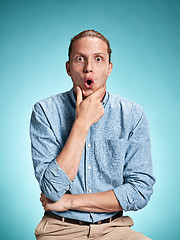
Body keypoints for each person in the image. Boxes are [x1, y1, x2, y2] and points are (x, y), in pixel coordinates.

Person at [30, 29, 155, 240]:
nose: (89, 68)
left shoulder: (133, 114)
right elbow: (52, 190)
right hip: (59, 229)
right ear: (68, 68)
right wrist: (81, 123)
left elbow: (140, 191)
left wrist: (70, 202)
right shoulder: (45, 112)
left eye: (98, 59)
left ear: (109, 68)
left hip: (115, 229)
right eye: (80, 59)